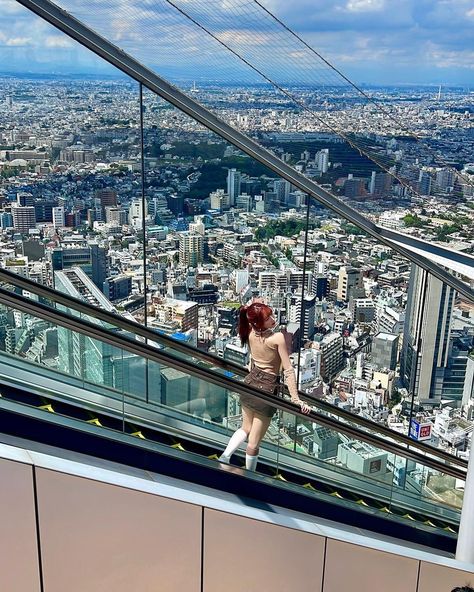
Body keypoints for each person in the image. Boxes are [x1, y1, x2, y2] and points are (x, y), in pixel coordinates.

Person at [219, 301, 311, 471]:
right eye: (268, 318)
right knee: (253, 442)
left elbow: (252, 361)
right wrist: (296, 399)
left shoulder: (250, 333)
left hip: (250, 383)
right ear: (259, 323)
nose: (273, 319)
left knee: (245, 428)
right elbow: (288, 370)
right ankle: (250, 475)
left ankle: (225, 456)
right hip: (267, 390)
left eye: (271, 315)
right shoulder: (277, 338)